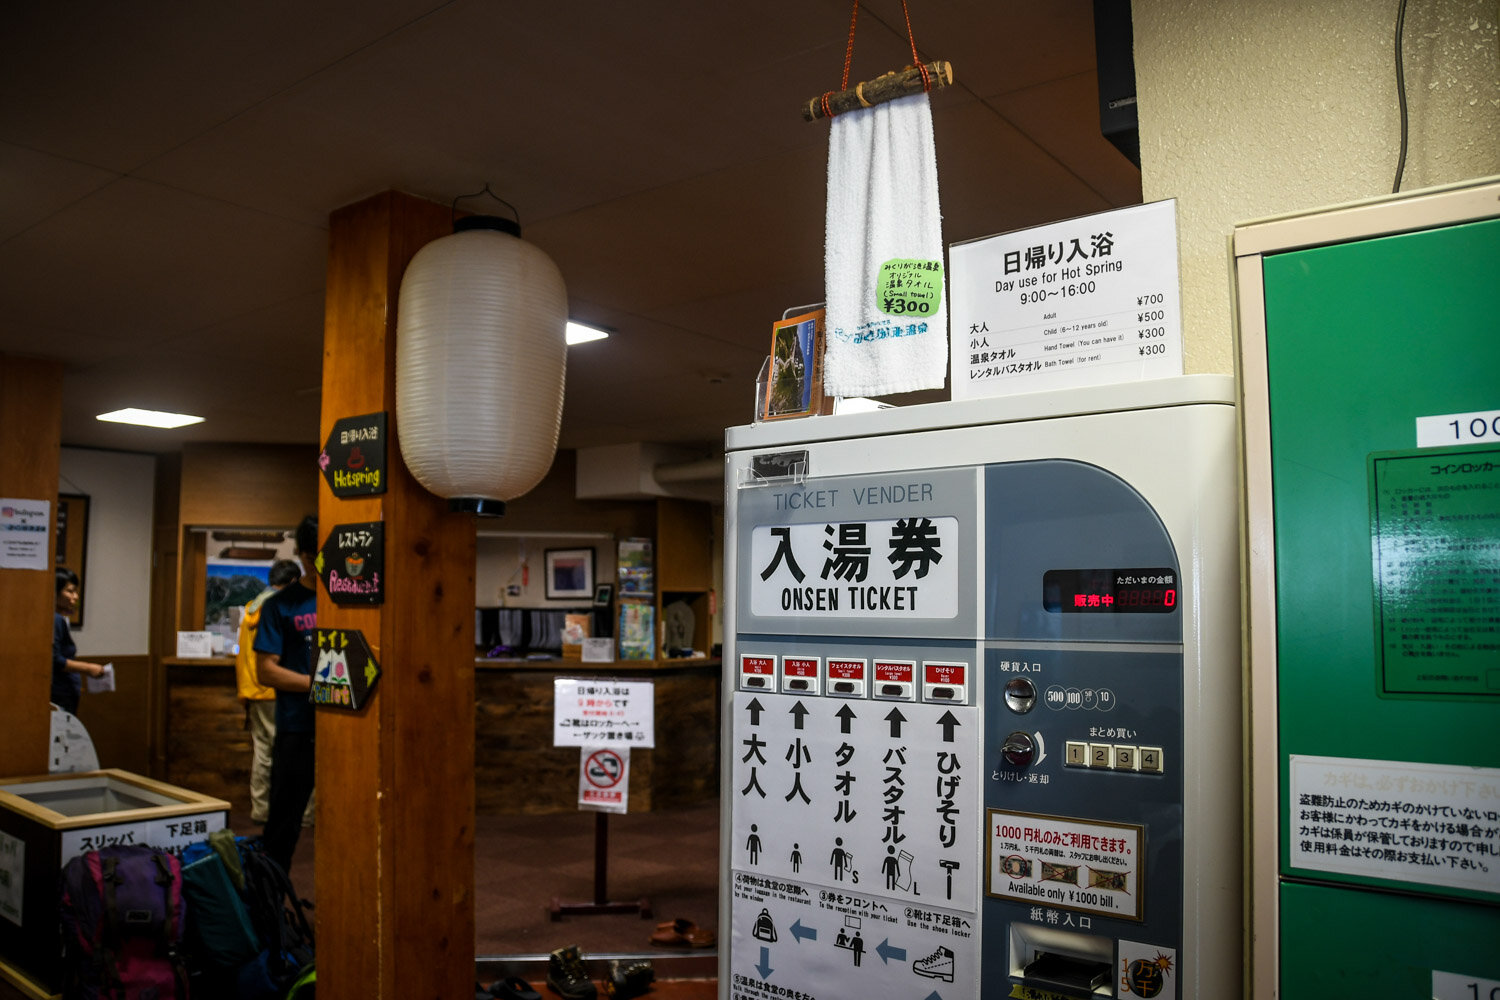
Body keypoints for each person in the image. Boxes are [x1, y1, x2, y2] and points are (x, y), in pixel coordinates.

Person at [254, 516, 319, 872]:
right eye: (312, 556)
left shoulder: (356, 601)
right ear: (302, 556)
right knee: (283, 826)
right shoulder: (279, 605)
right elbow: (267, 671)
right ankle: (267, 910)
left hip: (352, 727)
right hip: (298, 727)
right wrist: (322, 686)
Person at [235, 558, 302, 825]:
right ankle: (289, 813)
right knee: (289, 753)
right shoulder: (279, 609)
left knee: (263, 753)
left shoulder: (253, 607)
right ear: (293, 583)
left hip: (254, 691)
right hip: (277, 692)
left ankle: (261, 810)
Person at [52, 568, 105, 715]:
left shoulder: (61, 619)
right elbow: (55, 660)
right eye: (70, 591)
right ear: (54, 591)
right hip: (59, 694)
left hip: (65, 693)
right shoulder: (55, 619)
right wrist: (88, 668)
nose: (75, 597)